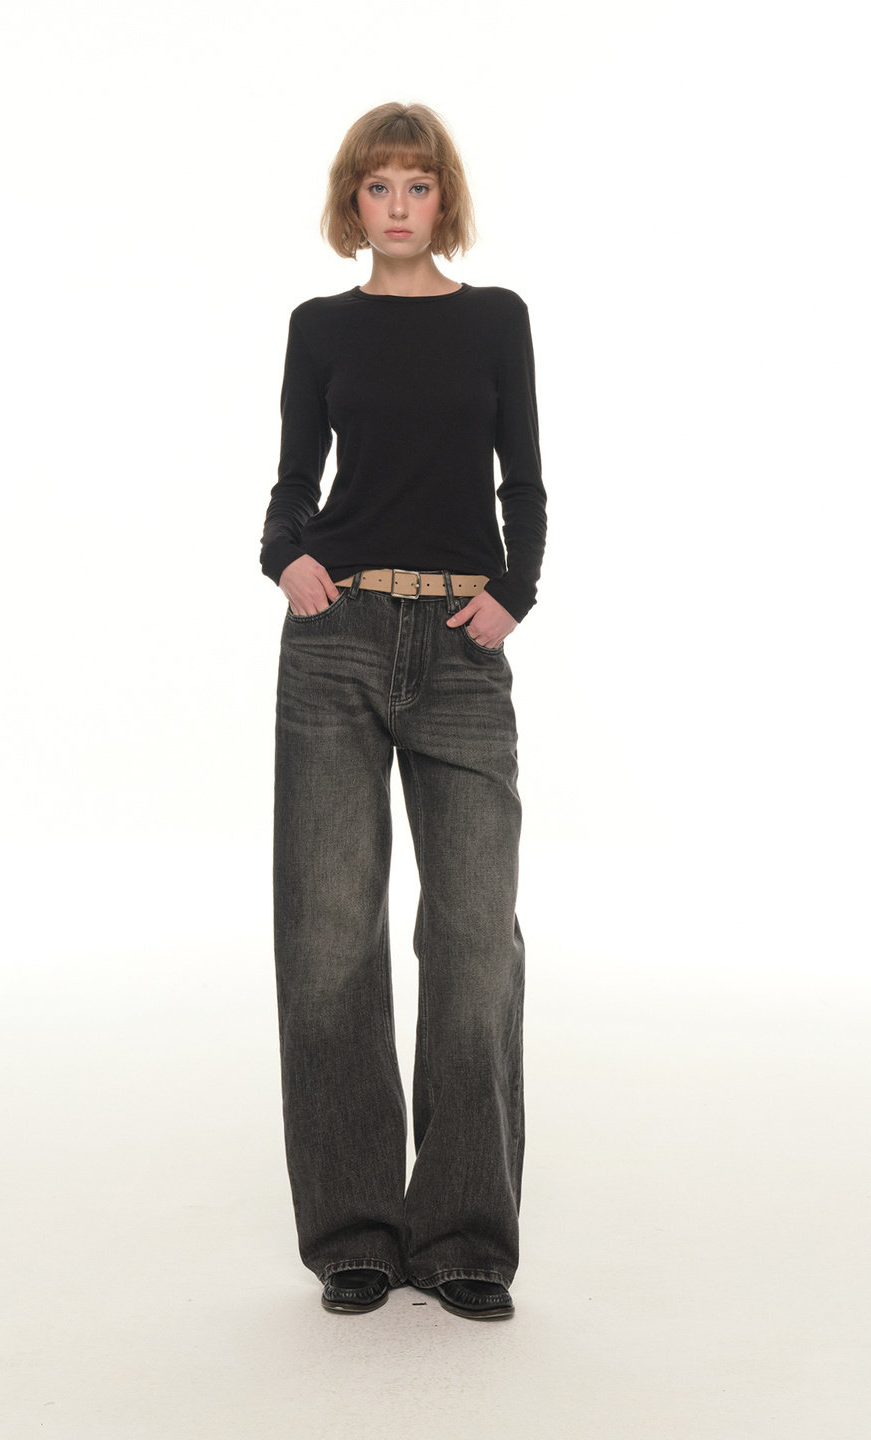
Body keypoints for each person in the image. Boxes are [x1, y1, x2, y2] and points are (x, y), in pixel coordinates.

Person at [259, 101, 547, 1322]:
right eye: (377, 186)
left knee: (474, 939)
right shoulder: (320, 328)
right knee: (329, 940)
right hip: (337, 641)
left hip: (463, 646)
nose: (397, 206)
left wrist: (515, 592)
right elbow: (294, 481)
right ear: (352, 202)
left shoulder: (496, 319)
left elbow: (523, 479)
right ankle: (356, 1234)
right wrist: (285, 558)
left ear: (444, 200)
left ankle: (467, 1232)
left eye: (417, 186)